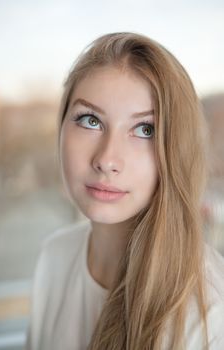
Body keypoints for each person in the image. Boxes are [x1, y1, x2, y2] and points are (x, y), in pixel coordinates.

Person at [25, 32, 224, 350]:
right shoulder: (54, 256)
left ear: (177, 149)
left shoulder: (211, 311)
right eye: (90, 120)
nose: (106, 160)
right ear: (61, 126)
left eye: (145, 129)